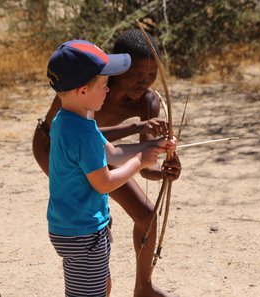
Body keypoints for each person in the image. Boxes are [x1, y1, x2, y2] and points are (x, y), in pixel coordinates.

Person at [33, 30, 181, 297]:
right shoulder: (86, 89)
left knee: (143, 215)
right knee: (88, 213)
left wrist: (161, 161)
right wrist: (137, 145)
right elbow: (86, 145)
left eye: (151, 74)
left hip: (92, 155)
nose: (144, 81)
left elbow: (109, 150)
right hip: (53, 150)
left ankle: (141, 286)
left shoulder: (130, 100)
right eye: (136, 73)